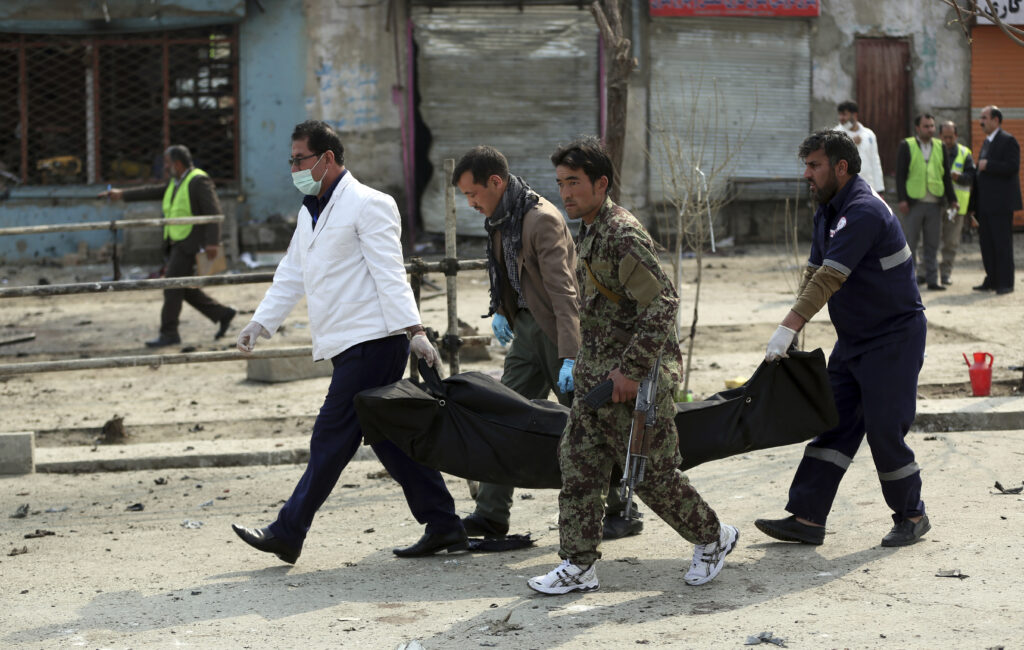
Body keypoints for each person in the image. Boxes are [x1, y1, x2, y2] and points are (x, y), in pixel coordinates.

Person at [230, 120, 467, 563]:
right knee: (389, 437)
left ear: (328, 159)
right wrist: (261, 323)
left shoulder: (369, 204)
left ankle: (288, 532)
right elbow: (292, 274)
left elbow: (388, 270)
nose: (294, 167)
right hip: (345, 345)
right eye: (292, 160)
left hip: (374, 341)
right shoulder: (310, 210)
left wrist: (414, 331)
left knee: (330, 436)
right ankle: (445, 524)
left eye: (300, 159)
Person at [528, 136, 737, 595]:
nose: (565, 193)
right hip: (596, 379)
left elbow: (662, 305)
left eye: (575, 182)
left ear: (601, 183)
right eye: (561, 183)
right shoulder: (590, 229)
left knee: (651, 477)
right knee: (578, 466)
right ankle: (578, 565)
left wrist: (632, 370)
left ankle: (713, 537)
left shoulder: (621, 233)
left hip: (633, 383)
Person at [451, 146, 642, 541]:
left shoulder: (541, 221)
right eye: (465, 197)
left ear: (496, 182)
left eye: (473, 194)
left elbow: (564, 293)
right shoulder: (500, 218)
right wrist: (503, 309)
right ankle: (491, 515)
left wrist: (571, 356)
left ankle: (623, 509)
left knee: (589, 422)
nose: (470, 203)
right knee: (501, 415)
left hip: (561, 335)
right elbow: (507, 274)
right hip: (526, 333)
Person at [756, 129, 930, 548]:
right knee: (832, 424)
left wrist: (787, 328)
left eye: (814, 165)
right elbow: (813, 274)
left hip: (893, 338)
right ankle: (808, 517)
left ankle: (913, 515)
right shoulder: (828, 211)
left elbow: (830, 279)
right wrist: (797, 331)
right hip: (855, 338)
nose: (807, 175)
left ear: (841, 167)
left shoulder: (864, 210)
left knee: (885, 430)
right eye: (807, 165)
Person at [99, 145, 236, 347]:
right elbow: (151, 192)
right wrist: (122, 195)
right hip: (178, 242)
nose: (164, 167)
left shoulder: (198, 180)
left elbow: (214, 212)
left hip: (191, 243)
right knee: (181, 286)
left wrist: (212, 242)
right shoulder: (176, 182)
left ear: (177, 164)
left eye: (167, 163)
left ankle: (169, 333)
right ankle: (222, 313)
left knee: (171, 286)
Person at [895, 113, 957, 291]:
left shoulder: (940, 146)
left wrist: (952, 199)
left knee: (932, 244)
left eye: (932, 126)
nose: (930, 129)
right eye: (926, 126)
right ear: (918, 128)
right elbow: (900, 175)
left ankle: (932, 280)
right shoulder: (907, 145)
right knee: (910, 244)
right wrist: (902, 200)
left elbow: (946, 175)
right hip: (913, 203)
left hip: (934, 203)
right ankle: (908, 282)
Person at [971, 106, 1021, 295]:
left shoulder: (1008, 141)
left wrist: (988, 165)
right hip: (985, 205)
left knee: (1002, 245)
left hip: (1001, 205)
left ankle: (1006, 283)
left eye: (984, 117)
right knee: (987, 245)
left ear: (996, 120)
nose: (980, 121)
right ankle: (992, 279)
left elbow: (1013, 166)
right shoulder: (987, 142)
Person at [938, 121, 976, 286]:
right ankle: (926, 274)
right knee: (929, 241)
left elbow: (971, 178)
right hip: (936, 203)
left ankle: (945, 274)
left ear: (956, 136)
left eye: (950, 137)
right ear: (940, 136)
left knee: (951, 243)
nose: (947, 140)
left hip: (956, 206)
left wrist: (958, 177)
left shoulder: (964, 153)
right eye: (944, 137)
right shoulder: (933, 151)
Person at [836, 100, 885, 193]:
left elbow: (875, 162)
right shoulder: (835, 134)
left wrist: (880, 189)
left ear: (854, 115)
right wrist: (851, 142)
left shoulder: (869, 134)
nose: (841, 118)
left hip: (869, 188)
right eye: (840, 114)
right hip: (846, 190)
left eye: (844, 114)